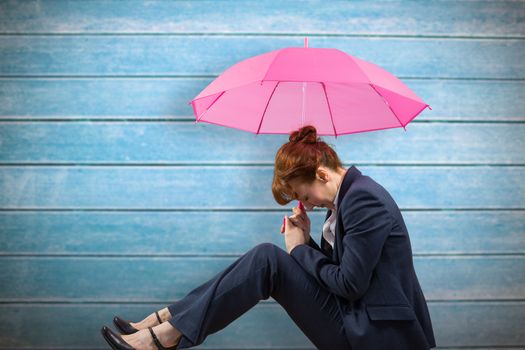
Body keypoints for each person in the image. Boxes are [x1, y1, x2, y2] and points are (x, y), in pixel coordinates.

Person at [101, 125, 436, 350]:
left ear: (321, 174)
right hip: (356, 317)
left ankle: (168, 333)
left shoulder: (364, 198)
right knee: (266, 258)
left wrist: (298, 250)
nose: (306, 204)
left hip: (377, 336)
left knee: (269, 258)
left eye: (303, 195)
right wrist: (306, 240)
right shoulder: (348, 198)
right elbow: (346, 269)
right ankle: (168, 321)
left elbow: (350, 284)